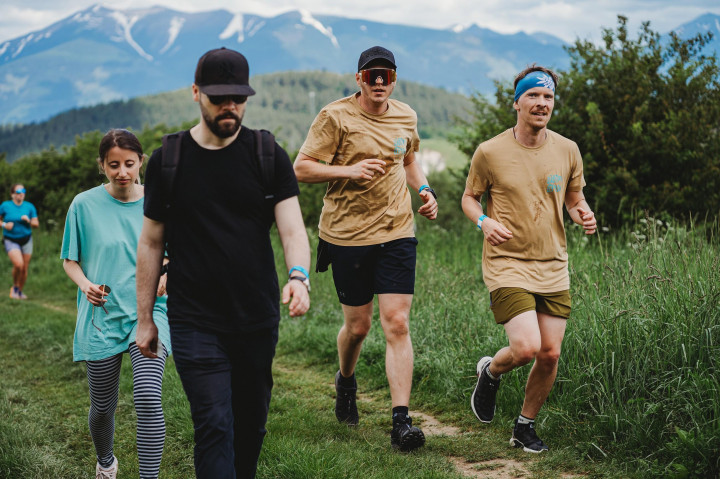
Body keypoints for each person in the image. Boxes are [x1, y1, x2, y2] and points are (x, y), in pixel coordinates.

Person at [135, 47, 311, 479]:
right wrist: (145, 318)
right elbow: (151, 242)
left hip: (256, 317)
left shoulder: (266, 153)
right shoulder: (169, 160)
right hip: (194, 318)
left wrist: (299, 277)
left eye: (238, 98)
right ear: (196, 93)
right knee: (214, 425)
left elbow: (292, 230)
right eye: (219, 98)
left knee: (250, 427)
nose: (229, 106)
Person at [294, 45, 438, 452]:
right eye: (371, 75)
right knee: (358, 327)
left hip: (397, 230)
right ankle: (346, 380)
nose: (378, 82)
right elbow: (301, 168)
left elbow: (409, 161)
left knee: (397, 322)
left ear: (394, 79)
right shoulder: (335, 116)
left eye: (386, 76)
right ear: (358, 78)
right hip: (347, 235)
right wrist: (350, 170)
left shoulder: (406, 116)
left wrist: (425, 190)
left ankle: (401, 422)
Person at [461, 65, 597, 453]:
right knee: (525, 348)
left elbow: (573, 198)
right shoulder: (490, 151)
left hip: (553, 264)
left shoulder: (567, 149)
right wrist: (484, 221)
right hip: (507, 263)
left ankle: (524, 426)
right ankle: (491, 370)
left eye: (548, 96)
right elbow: (469, 199)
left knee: (550, 354)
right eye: (533, 95)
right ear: (516, 103)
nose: (541, 103)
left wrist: (583, 213)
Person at [60, 129, 171, 479]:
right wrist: (86, 285)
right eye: (114, 165)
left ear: (141, 162)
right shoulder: (83, 205)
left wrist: (168, 271)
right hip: (102, 315)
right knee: (103, 408)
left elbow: (176, 250)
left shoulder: (159, 200)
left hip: (150, 312)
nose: (122, 172)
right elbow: (69, 260)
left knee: (148, 396)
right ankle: (106, 463)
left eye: (129, 163)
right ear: (102, 166)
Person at [1, 183, 39, 299]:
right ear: (12, 194)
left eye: (23, 191)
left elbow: (36, 224)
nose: (21, 194)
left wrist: (28, 221)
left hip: (26, 239)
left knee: (24, 269)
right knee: (18, 264)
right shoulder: (5, 206)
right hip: (11, 239)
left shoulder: (29, 206)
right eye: (18, 192)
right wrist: (4, 225)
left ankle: (19, 291)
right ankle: (15, 287)